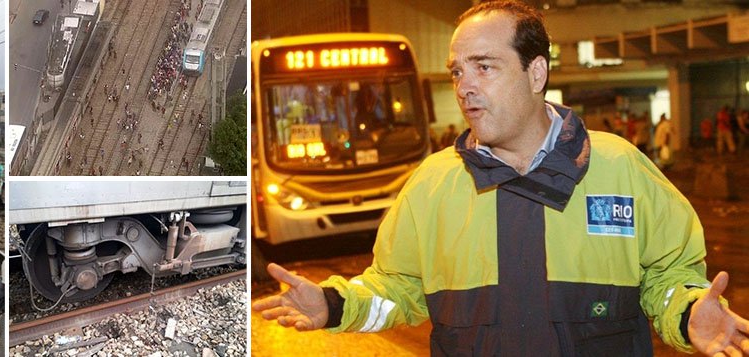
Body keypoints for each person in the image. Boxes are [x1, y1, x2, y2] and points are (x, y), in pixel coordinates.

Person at [253, 2, 748, 355]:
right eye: (457, 72)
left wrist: (687, 311)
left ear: (536, 73)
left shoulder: (621, 167)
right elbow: (396, 288)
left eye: (483, 67)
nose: (465, 87)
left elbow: (667, 278)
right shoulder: (432, 186)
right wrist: (334, 304)